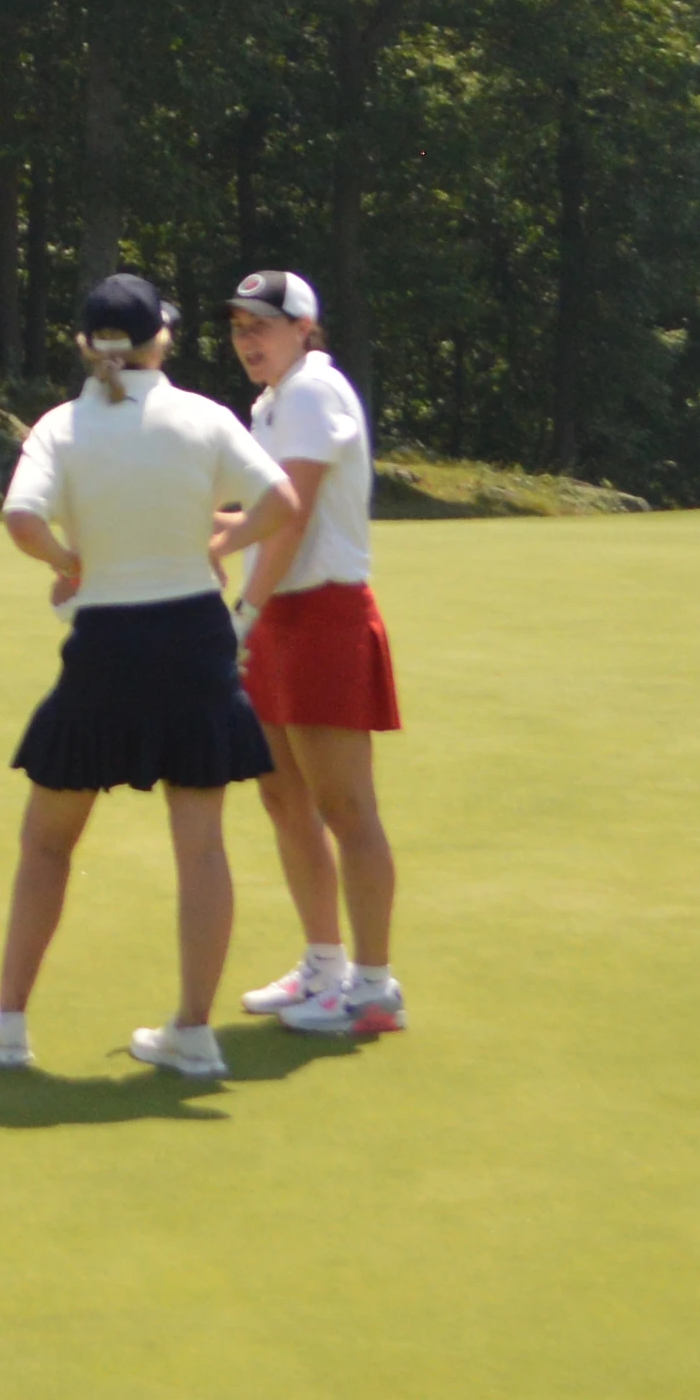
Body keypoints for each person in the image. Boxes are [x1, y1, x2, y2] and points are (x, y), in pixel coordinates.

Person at [0, 273, 290, 1082]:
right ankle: (193, 1030)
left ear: (87, 347)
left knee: (47, 841)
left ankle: (8, 1025)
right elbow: (281, 502)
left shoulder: (62, 425)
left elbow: (21, 518)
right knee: (200, 847)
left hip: (106, 648)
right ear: (163, 338)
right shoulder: (204, 417)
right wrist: (217, 547)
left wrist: (67, 561)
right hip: (194, 638)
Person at [216, 269, 409, 1044]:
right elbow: (259, 516)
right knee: (283, 799)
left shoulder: (310, 393)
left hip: (323, 616)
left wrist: (243, 612)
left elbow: (286, 520)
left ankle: (372, 987)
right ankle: (325, 965)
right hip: (283, 622)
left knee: (343, 806)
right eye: (237, 328)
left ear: (305, 328)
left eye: (263, 325)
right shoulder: (270, 404)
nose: (248, 340)